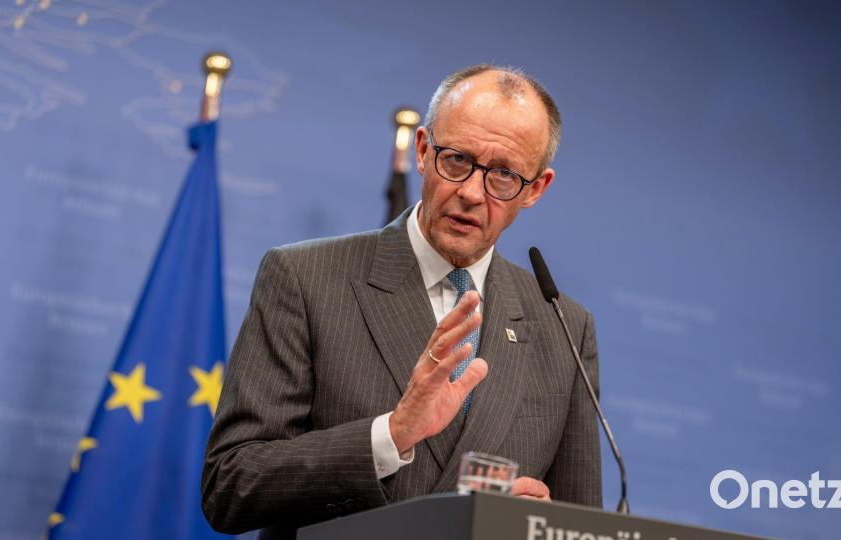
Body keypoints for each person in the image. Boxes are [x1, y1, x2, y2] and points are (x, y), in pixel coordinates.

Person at [201, 64, 602, 538]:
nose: (472, 193)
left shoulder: (563, 326)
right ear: (423, 150)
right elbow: (231, 485)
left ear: (535, 188)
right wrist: (390, 436)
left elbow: (580, 525)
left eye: (503, 176)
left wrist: (543, 527)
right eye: (457, 160)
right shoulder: (306, 279)